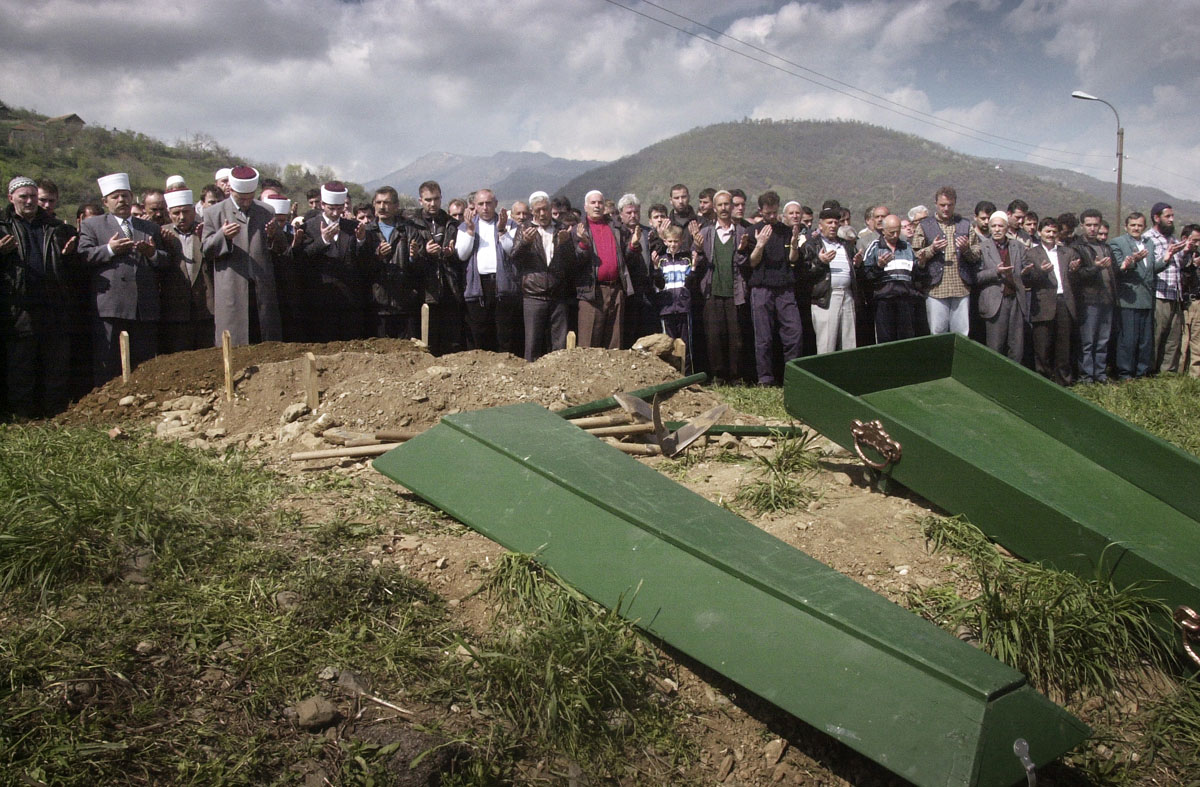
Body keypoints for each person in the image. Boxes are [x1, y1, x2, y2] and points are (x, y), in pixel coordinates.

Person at [78, 172, 169, 384]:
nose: (121, 200)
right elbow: (84, 256)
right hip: (112, 306)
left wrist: (152, 254)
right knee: (108, 360)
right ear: (105, 201)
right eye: (115, 197)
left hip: (143, 307)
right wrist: (110, 249)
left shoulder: (149, 227)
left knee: (144, 361)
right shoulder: (93, 225)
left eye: (125, 195)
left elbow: (165, 261)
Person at [1, 176, 78, 417]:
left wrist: (70, 256)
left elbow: (74, 269)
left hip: (53, 307)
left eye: (33, 196)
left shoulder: (58, 228)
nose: (30, 201)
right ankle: (22, 418)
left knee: (55, 366)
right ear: (10, 198)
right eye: (23, 196)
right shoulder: (2, 227)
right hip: (18, 309)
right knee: (20, 366)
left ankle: (55, 417)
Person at [201, 166, 285, 346]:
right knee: (234, 343)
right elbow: (206, 249)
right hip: (231, 289)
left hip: (261, 289)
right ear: (231, 190)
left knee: (264, 341)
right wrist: (223, 236)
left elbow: (281, 249)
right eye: (242, 198)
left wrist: (274, 234)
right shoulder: (214, 213)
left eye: (250, 198)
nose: (246, 202)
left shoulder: (266, 211)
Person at [742, 191, 802, 384]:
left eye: (775, 212)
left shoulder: (786, 231)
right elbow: (751, 263)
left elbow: (792, 260)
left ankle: (792, 377)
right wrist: (759, 245)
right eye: (768, 213)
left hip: (785, 288)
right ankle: (765, 378)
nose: (772, 217)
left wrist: (794, 245)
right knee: (763, 337)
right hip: (761, 288)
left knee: (794, 333)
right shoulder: (753, 231)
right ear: (761, 211)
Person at [299, 181, 367, 342]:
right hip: (321, 298)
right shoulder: (309, 227)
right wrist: (323, 240)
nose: (336, 213)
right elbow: (303, 258)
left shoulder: (353, 227)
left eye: (339, 208)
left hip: (348, 298)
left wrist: (361, 240)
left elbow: (362, 260)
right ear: (322, 204)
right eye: (331, 208)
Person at [510, 191, 575, 361]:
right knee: (533, 342)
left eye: (545, 209)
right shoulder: (524, 229)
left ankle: (558, 376)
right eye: (538, 210)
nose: (542, 214)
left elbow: (571, 262)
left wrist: (565, 244)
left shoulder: (561, 228)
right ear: (532, 211)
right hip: (533, 295)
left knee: (558, 344)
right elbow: (515, 258)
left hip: (557, 294)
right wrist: (525, 242)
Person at [574, 189, 641, 349]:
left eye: (600, 202)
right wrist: (583, 244)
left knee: (614, 341)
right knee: (589, 343)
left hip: (616, 289)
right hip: (591, 292)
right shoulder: (578, 230)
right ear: (585, 206)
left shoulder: (616, 228)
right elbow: (574, 262)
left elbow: (625, 258)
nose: (597, 206)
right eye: (593, 203)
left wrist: (633, 245)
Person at [455, 188, 519, 355]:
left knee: (504, 333)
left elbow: (511, 250)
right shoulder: (464, 226)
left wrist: (502, 230)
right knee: (480, 333)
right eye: (481, 204)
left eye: (488, 203)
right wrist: (470, 231)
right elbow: (462, 255)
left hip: (502, 286)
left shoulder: (509, 224)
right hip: (478, 287)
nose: (485, 207)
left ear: (496, 204)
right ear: (474, 206)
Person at [697, 190, 750, 382]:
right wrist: (697, 248)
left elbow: (746, 264)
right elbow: (699, 263)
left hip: (734, 292)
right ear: (714, 207)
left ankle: (736, 376)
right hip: (712, 291)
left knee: (736, 338)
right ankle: (718, 375)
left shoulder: (742, 232)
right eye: (720, 205)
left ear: (732, 206)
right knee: (714, 336)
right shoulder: (705, 233)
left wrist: (743, 250)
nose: (724, 208)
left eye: (727, 204)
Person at [913, 186, 977, 336]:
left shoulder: (966, 225)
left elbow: (976, 255)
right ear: (936, 204)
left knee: (961, 333)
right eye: (943, 205)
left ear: (955, 204)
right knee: (937, 332)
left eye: (950, 205)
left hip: (960, 287)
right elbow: (916, 256)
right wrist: (932, 249)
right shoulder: (924, 226)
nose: (946, 208)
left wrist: (966, 249)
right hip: (935, 288)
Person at [409, 180, 463, 356]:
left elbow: (461, 256)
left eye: (436, 199)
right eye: (428, 199)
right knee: (427, 341)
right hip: (424, 290)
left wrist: (450, 254)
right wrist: (424, 252)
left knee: (451, 341)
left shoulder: (451, 223)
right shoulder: (412, 224)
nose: (433, 204)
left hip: (449, 289)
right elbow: (410, 258)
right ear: (420, 201)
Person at [1110, 212, 1167, 380]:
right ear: (1126, 227)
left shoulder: (1149, 243)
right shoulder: (1117, 242)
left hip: (1147, 298)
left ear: (1144, 227)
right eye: (1133, 225)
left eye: (1140, 225)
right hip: (1129, 298)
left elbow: (1149, 270)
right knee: (1128, 340)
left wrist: (1166, 260)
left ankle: (1142, 373)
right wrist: (1131, 261)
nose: (1136, 228)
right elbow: (1119, 267)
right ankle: (1125, 374)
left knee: (1145, 340)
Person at [1022, 217, 1078, 385]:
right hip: (1043, 304)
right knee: (1042, 346)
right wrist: (1040, 272)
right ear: (1040, 233)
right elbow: (1028, 281)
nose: (1051, 235)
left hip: (1064, 302)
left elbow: (1075, 279)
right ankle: (1043, 382)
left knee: (1063, 346)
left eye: (1054, 232)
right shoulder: (1031, 254)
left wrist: (1075, 271)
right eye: (1047, 231)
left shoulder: (1067, 252)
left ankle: (1063, 381)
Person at [157, 189, 214, 353]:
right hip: (175, 310)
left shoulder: (205, 230)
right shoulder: (161, 233)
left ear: (194, 211)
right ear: (169, 213)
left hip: (205, 308)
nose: (182, 217)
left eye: (186, 212)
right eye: (176, 213)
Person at [362, 186, 420, 339]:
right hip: (377, 304)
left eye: (387, 203)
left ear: (396, 206)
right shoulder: (366, 232)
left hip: (404, 303)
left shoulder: (410, 231)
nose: (382, 207)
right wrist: (377, 257)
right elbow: (361, 268)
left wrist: (415, 257)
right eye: (379, 202)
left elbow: (421, 270)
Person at [800, 207, 859, 354]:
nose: (833, 226)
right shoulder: (811, 245)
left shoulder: (846, 245)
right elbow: (804, 275)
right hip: (825, 298)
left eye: (835, 222)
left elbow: (854, 270)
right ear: (820, 225)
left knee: (849, 342)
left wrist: (857, 265)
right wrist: (820, 262)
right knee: (827, 343)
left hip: (847, 295)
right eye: (829, 222)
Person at [975, 211, 1027, 363]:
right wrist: (995, 272)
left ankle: (1013, 381)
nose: (997, 229)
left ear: (1007, 228)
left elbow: (1023, 269)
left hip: (1016, 299)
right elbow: (976, 277)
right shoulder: (982, 248)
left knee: (1016, 347)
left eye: (1000, 226)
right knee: (995, 346)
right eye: (993, 226)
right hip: (995, 301)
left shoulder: (1017, 246)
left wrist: (1027, 272)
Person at [1071, 209, 1116, 383]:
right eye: (1088, 225)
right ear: (1082, 225)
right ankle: (1086, 376)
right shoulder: (1077, 248)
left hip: (1107, 300)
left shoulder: (1105, 247)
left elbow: (1114, 272)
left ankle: (1100, 374)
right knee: (1087, 341)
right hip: (1088, 300)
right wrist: (1096, 267)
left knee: (1103, 340)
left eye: (1095, 225)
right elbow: (1077, 275)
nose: (1092, 229)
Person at [861, 214, 922, 343]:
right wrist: (879, 266)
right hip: (884, 300)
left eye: (898, 232)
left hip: (905, 300)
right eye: (891, 232)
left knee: (906, 341)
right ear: (883, 230)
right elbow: (866, 275)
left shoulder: (907, 247)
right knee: (886, 341)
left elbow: (915, 273)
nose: (895, 235)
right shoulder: (875, 247)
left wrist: (921, 264)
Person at [1144, 202, 1189, 373]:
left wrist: (1186, 253)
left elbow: (1179, 266)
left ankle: (1167, 375)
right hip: (1159, 294)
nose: (1171, 220)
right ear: (1156, 218)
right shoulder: (1148, 238)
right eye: (1167, 216)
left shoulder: (1173, 238)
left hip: (1175, 295)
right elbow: (1150, 267)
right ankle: (1150, 373)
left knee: (1173, 339)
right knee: (1156, 337)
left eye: (1172, 216)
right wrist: (1167, 256)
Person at [654, 224, 699, 364]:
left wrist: (694, 268)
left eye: (676, 241)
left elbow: (689, 284)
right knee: (667, 343)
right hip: (666, 308)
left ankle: (687, 375)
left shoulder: (686, 260)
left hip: (683, 307)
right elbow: (659, 284)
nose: (673, 245)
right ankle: (671, 374)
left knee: (686, 343)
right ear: (665, 241)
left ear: (681, 241)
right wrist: (655, 268)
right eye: (670, 241)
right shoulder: (661, 260)